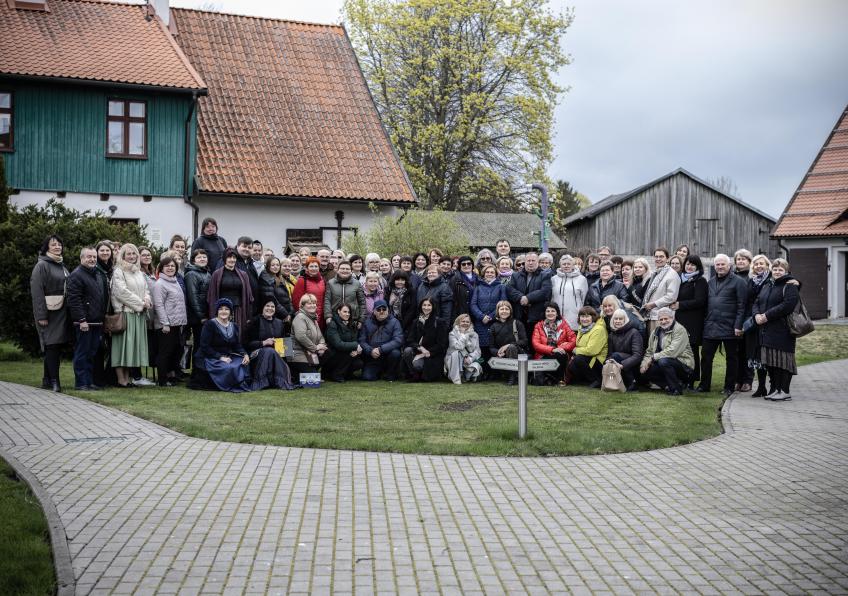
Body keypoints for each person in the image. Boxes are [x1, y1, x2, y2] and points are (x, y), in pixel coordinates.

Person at [698, 253, 747, 396]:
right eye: (717, 264)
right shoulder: (711, 282)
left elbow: (742, 306)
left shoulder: (739, 282)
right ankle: (704, 385)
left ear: (729, 266)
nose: (719, 267)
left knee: (731, 358)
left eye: (722, 264)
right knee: (706, 357)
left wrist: (738, 325)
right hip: (711, 326)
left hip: (730, 326)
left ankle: (729, 387)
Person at [753, 259, 800, 401]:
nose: (777, 272)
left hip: (783, 330)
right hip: (767, 330)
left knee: (784, 361)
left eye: (781, 269)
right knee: (773, 362)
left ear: (786, 271)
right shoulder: (768, 284)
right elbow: (757, 301)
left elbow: (788, 306)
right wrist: (756, 315)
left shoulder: (790, 285)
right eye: (775, 269)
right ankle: (777, 390)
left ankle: (785, 391)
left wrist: (766, 316)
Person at [30, 234, 71, 392]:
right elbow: (37, 293)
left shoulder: (61, 265)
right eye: (53, 244)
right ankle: (55, 382)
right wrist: (41, 316)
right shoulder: (41, 266)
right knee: (52, 345)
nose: (57, 247)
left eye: (59, 244)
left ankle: (47, 380)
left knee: (54, 346)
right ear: (47, 247)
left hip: (62, 312)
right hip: (49, 312)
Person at [110, 243, 151, 388]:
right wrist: (140, 303)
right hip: (126, 314)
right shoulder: (118, 271)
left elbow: (145, 289)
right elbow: (121, 292)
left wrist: (147, 300)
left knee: (131, 349)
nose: (132, 256)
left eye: (134, 253)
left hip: (138, 314)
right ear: (123, 255)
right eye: (129, 254)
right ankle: (121, 380)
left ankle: (127, 379)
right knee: (122, 348)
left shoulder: (138, 272)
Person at [67, 247, 106, 390]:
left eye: (94, 257)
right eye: (89, 257)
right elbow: (74, 300)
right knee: (82, 353)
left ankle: (89, 382)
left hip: (95, 322)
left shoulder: (95, 273)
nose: (92, 259)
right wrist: (82, 320)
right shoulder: (76, 275)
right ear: (81, 258)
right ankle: (81, 383)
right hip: (84, 322)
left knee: (91, 353)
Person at [191, 298, 251, 392]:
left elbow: (236, 345)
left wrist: (245, 354)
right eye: (221, 309)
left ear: (230, 312)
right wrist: (220, 357)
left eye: (227, 309)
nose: (224, 311)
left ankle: (239, 383)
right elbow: (204, 346)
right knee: (228, 367)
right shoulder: (210, 324)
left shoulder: (234, 326)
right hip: (210, 357)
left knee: (242, 363)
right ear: (217, 311)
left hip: (227, 356)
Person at [639, 307, 694, 396]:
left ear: (672, 318)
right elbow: (649, 351)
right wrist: (643, 365)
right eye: (661, 319)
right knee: (645, 371)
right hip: (665, 363)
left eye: (666, 319)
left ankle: (676, 389)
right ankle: (668, 385)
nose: (663, 321)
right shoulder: (655, 332)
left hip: (684, 365)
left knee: (664, 361)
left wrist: (653, 357)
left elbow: (672, 352)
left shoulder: (679, 329)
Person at [672, 254, 708, 388]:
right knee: (680, 350)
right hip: (679, 320)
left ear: (697, 267)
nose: (689, 266)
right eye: (687, 264)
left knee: (691, 351)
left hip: (693, 322)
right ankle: (682, 377)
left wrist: (680, 304)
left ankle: (692, 379)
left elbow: (700, 301)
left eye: (693, 264)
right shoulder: (680, 279)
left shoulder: (700, 281)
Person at [152, 255, 188, 386]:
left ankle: (171, 376)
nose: (170, 268)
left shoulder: (175, 281)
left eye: (173, 266)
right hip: (166, 325)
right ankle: (162, 380)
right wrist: (165, 323)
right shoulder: (160, 284)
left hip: (177, 324)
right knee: (164, 353)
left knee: (175, 351)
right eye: (167, 266)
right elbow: (159, 305)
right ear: (161, 268)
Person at [244, 300, 295, 390]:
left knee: (278, 352)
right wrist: (264, 343)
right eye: (267, 306)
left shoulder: (280, 323)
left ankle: (281, 380)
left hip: (277, 355)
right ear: (262, 308)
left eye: (272, 307)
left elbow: (284, 346)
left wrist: (286, 348)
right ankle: (262, 381)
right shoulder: (254, 321)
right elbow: (246, 343)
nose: (270, 308)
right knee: (269, 351)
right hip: (256, 355)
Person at [207, 247, 253, 343]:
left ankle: (237, 355)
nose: (232, 260)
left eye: (234, 257)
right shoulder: (216, 274)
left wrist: (248, 314)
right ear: (224, 259)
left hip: (238, 309)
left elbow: (248, 296)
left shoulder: (243, 274)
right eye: (229, 257)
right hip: (222, 310)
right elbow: (212, 295)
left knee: (237, 334)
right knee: (222, 334)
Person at [403, 298, 449, 382]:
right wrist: (420, 348)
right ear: (421, 306)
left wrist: (424, 354)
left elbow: (441, 345)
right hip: (419, 350)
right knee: (407, 351)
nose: (426, 307)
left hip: (433, 354)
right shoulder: (416, 322)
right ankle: (415, 375)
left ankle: (424, 374)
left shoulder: (439, 322)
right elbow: (410, 340)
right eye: (424, 305)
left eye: (429, 305)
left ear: (433, 307)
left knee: (418, 365)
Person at [746, 254, 773, 397]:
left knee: (768, 355)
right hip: (754, 322)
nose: (758, 266)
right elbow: (750, 300)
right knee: (757, 357)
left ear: (767, 265)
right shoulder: (752, 281)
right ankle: (761, 387)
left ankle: (774, 387)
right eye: (756, 264)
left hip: (768, 321)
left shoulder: (772, 279)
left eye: (761, 263)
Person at [508, 252, 552, 337]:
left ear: (538, 262)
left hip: (537, 316)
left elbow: (545, 291)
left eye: (533, 260)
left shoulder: (545, 275)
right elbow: (510, 289)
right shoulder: (515, 275)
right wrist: (521, 298)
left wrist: (528, 298)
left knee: (535, 343)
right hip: (519, 315)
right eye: (528, 260)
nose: (530, 263)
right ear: (525, 262)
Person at [531, 302, 576, 386]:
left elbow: (573, 340)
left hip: (560, 354)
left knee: (560, 354)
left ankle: (560, 380)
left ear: (557, 313)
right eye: (548, 311)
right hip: (543, 355)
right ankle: (549, 379)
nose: (550, 313)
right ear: (544, 313)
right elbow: (536, 344)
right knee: (538, 382)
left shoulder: (564, 324)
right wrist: (553, 349)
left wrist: (561, 348)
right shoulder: (538, 326)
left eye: (553, 311)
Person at [359, 299, 404, 381]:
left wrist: (381, 349)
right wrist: (370, 350)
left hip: (387, 355)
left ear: (388, 310)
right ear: (374, 311)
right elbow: (362, 341)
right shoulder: (367, 322)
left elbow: (398, 340)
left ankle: (390, 372)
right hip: (372, 357)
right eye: (378, 309)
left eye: (384, 309)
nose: (381, 311)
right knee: (367, 377)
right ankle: (379, 372)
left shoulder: (395, 322)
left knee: (395, 353)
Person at [640, 248, 681, 334]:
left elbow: (671, 297)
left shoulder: (672, 274)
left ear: (667, 258)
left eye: (661, 256)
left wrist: (653, 304)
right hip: (651, 315)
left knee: (660, 345)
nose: (658, 259)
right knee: (651, 345)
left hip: (662, 317)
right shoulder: (656, 273)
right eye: (656, 256)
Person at [470, 264, 508, 354]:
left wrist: (491, 317)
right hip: (480, 322)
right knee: (482, 350)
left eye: (492, 272)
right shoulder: (478, 287)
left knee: (495, 347)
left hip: (495, 322)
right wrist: (482, 316)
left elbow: (503, 304)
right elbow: (473, 304)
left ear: (495, 274)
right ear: (483, 274)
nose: (489, 274)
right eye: (487, 272)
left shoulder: (501, 287)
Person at [488, 300, 527, 386]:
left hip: (518, 354)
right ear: (498, 311)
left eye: (507, 309)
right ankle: (507, 375)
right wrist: (498, 352)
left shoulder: (517, 323)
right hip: (502, 356)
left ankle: (513, 377)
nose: (504, 311)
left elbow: (524, 341)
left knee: (511, 348)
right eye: (502, 309)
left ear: (510, 311)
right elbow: (491, 347)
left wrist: (509, 345)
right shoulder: (493, 326)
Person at [184, 248, 211, 372]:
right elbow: (193, 297)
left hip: (206, 314)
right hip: (197, 317)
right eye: (199, 257)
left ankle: (203, 369)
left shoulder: (207, 273)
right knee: (199, 344)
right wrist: (201, 316)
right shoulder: (191, 274)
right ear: (193, 260)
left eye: (204, 257)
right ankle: (197, 371)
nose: (202, 259)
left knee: (204, 343)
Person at [566, 306, 607, 388]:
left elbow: (592, 350)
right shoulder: (582, 328)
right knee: (571, 365)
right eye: (582, 316)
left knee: (578, 359)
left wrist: (576, 350)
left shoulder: (598, 329)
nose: (584, 319)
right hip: (586, 356)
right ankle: (585, 381)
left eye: (587, 316)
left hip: (597, 359)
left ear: (593, 317)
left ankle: (596, 380)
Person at [290, 293, 328, 377]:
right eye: (309, 303)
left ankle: (316, 371)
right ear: (302, 305)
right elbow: (301, 336)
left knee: (328, 352)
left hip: (310, 353)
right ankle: (294, 373)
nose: (312, 305)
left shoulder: (313, 318)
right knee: (312, 378)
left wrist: (322, 345)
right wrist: (315, 348)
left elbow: (320, 336)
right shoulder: (300, 317)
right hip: (298, 354)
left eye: (314, 303)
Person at [606, 308, 644, 391]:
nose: (618, 321)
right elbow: (609, 354)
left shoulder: (634, 332)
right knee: (612, 358)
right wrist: (608, 361)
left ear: (625, 320)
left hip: (634, 365)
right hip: (617, 362)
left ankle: (633, 383)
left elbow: (638, 355)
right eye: (616, 319)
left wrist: (623, 365)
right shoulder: (611, 335)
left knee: (616, 356)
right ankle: (614, 383)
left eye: (620, 319)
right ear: (613, 320)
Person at [324, 303, 364, 382]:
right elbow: (338, 344)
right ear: (338, 311)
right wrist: (356, 346)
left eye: (349, 312)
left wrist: (356, 351)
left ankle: (345, 374)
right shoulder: (332, 324)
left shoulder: (351, 324)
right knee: (347, 354)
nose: (347, 314)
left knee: (358, 363)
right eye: (345, 312)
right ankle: (335, 374)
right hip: (333, 355)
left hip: (346, 353)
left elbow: (354, 339)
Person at [733, 248, 755, 391]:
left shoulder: (752, 277)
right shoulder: (733, 276)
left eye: (743, 259)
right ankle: (737, 380)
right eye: (738, 259)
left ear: (749, 261)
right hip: (735, 318)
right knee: (736, 352)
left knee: (748, 351)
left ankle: (747, 380)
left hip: (749, 318)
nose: (740, 261)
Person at [323, 260, 366, 329]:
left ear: (351, 271)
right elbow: (327, 301)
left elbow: (362, 303)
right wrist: (328, 316)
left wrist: (361, 319)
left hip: (352, 319)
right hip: (335, 319)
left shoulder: (356, 284)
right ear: (337, 270)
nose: (345, 270)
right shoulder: (330, 283)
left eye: (347, 269)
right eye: (342, 268)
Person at [550, 254, 588, 331]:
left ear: (573, 265)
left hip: (574, 317)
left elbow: (583, 298)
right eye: (564, 264)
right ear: (560, 265)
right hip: (557, 316)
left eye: (569, 264)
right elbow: (552, 297)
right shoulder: (554, 279)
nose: (566, 266)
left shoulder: (582, 279)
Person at [445, 314, 482, 384]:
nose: (465, 323)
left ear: (470, 323)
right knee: (457, 353)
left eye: (467, 322)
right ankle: (457, 377)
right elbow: (458, 347)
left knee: (476, 365)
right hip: (453, 359)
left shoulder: (475, 335)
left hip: (468, 359)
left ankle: (466, 377)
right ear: (458, 322)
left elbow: (478, 351)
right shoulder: (452, 334)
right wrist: (463, 335)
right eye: (463, 321)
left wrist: (470, 358)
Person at [291, 257, 327, 328]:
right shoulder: (302, 280)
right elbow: (296, 301)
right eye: (311, 266)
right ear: (307, 268)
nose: (314, 268)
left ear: (319, 268)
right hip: (307, 316)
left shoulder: (322, 280)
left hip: (321, 316)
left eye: (316, 266)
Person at [259, 257, 294, 325]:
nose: (276, 267)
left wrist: (291, 312)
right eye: (273, 265)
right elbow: (272, 299)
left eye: (277, 265)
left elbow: (287, 298)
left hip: (285, 314)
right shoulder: (266, 279)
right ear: (268, 266)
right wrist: (285, 314)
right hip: (276, 315)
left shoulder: (278, 278)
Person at [385, 269, 417, 333]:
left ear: (406, 281)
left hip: (406, 325)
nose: (400, 282)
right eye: (397, 280)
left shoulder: (411, 291)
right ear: (393, 280)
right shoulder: (388, 290)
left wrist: (402, 325)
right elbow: (386, 307)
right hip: (390, 323)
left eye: (402, 280)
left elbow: (412, 309)